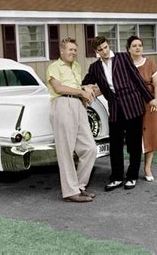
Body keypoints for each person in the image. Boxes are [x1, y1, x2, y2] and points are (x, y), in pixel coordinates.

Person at [82, 36, 157, 191]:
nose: (104, 51)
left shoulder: (123, 58)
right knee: (115, 145)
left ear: (108, 45)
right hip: (115, 110)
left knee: (134, 144)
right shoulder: (95, 67)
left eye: (105, 47)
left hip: (133, 106)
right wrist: (85, 89)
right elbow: (85, 82)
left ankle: (132, 176)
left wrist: (150, 99)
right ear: (96, 51)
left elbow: (137, 79)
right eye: (100, 50)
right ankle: (116, 177)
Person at [46, 37, 97, 202]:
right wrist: (81, 92)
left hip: (78, 106)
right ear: (62, 51)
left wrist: (85, 93)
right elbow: (58, 88)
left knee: (89, 148)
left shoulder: (76, 66)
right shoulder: (54, 67)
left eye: (75, 50)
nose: (73, 52)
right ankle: (70, 192)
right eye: (70, 49)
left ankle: (80, 186)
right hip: (62, 104)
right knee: (66, 151)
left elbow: (76, 87)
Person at [126, 35, 157, 182]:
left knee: (152, 134)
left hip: (150, 103)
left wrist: (156, 99)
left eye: (140, 45)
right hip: (131, 104)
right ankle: (133, 167)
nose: (137, 48)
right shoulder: (126, 65)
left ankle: (147, 167)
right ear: (129, 49)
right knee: (134, 136)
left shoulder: (150, 64)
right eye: (134, 45)